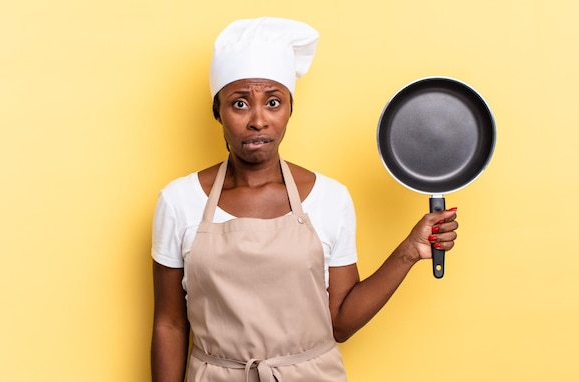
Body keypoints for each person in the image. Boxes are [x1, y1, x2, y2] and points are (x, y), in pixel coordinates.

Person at [151, 17, 458, 382]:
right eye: (239, 104)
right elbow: (170, 324)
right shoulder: (178, 201)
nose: (259, 120)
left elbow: (341, 322)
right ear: (217, 111)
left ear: (290, 110)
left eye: (274, 102)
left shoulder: (330, 198)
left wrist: (409, 250)